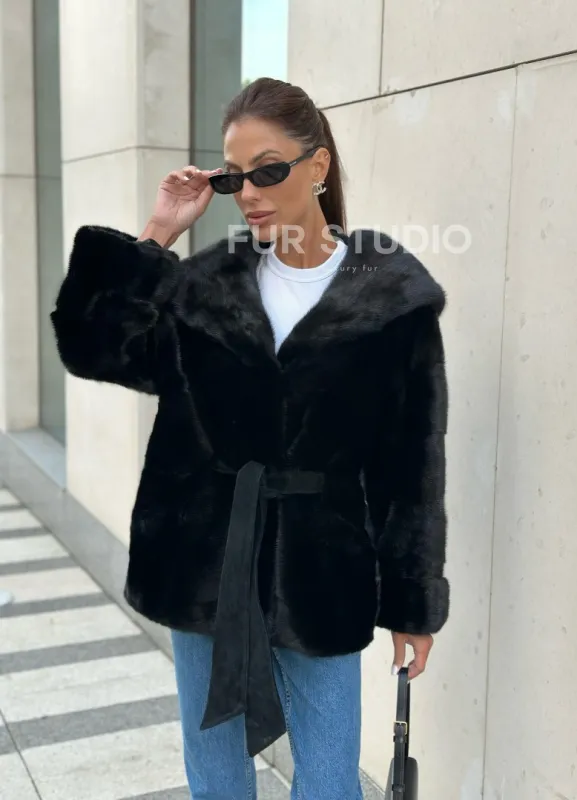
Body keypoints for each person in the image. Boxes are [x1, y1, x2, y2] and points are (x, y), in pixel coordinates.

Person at [50, 77, 450, 800]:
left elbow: (411, 461)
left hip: (323, 566)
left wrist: (412, 603)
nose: (250, 194)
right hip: (204, 552)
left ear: (318, 165)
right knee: (215, 774)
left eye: (268, 171)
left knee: (330, 778)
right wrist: (159, 231)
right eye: (235, 177)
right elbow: (93, 348)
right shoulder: (205, 286)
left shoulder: (390, 298)